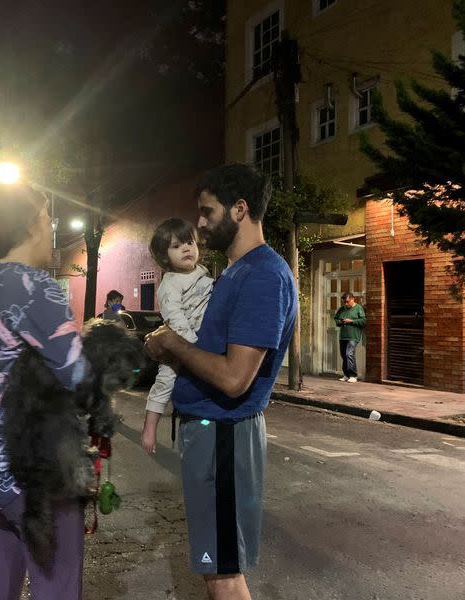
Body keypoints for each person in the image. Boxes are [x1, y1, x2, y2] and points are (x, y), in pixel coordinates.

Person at [145, 164, 297, 600]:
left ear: (240, 209)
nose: (200, 223)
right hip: (210, 435)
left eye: (208, 212)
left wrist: (172, 343)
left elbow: (234, 379)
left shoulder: (263, 276)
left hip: (226, 438)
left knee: (224, 574)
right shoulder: (232, 271)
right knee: (215, 569)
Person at [0, 183, 88, 600]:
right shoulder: (37, 286)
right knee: (56, 583)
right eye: (48, 218)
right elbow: (79, 378)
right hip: (38, 468)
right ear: (31, 223)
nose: (52, 228)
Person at [140, 218, 213, 454]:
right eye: (176, 246)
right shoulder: (169, 284)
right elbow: (175, 319)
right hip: (183, 342)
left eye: (190, 243)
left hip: (202, 339)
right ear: (164, 257)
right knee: (165, 380)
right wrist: (192, 347)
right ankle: (150, 427)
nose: (186, 249)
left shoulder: (203, 273)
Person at [334, 291, 366, 382]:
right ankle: (346, 375)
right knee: (344, 355)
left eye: (348, 301)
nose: (346, 304)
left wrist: (351, 321)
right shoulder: (342, 309)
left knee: (349, 354)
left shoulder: (359, 308)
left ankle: (353, 375)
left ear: (352, 299)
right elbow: (336, 319)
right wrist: (341, 322)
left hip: (353, 336)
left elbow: (363, 321)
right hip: (343, 336)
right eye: (345, 302)